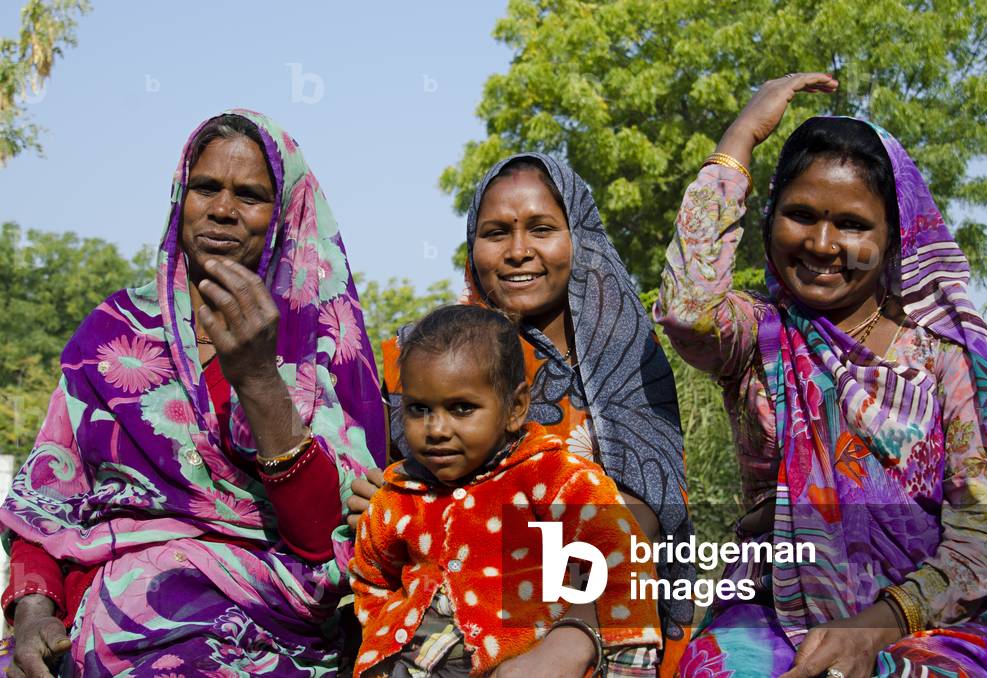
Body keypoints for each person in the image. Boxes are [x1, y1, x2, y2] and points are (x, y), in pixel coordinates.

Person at [656, 73, 987, 677]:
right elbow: (687, 308)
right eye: (800, 215)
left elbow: (983, 537)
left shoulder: (941, 361)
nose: (822, 244)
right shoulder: (760, 337)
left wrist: (873, 629)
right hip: (771, 618)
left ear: (893, 238)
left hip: (922, 623)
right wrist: (740, 140)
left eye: (852, 224)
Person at [0, 110, 385, 676]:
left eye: (250, 194)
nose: (223, 209)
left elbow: (323, 541)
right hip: (104, 613)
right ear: (182, 196)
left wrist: (256, 376)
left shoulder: (322, 344)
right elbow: (51, 504)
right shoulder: (113, 336)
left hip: (266, 621)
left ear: (283, 213)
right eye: (206, 187)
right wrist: (33, 612)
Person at [354, 153, 695, 673]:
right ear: (472, 245)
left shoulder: (627, 360)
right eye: (496, 232)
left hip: (591, 620)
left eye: (541, 228)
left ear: (578, 237)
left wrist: (568, 637)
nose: (518, 252)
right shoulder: (420, 357)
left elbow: (641, 514)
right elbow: (380, 498)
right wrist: (382, 500)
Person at [349, 304, 661, 677]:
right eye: (419, 408)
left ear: (515, 408)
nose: (436, 429)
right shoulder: (398, 495)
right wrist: (382, 639)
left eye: (462, 408)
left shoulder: (554, 479)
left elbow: (622, 561)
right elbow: (371, 576)